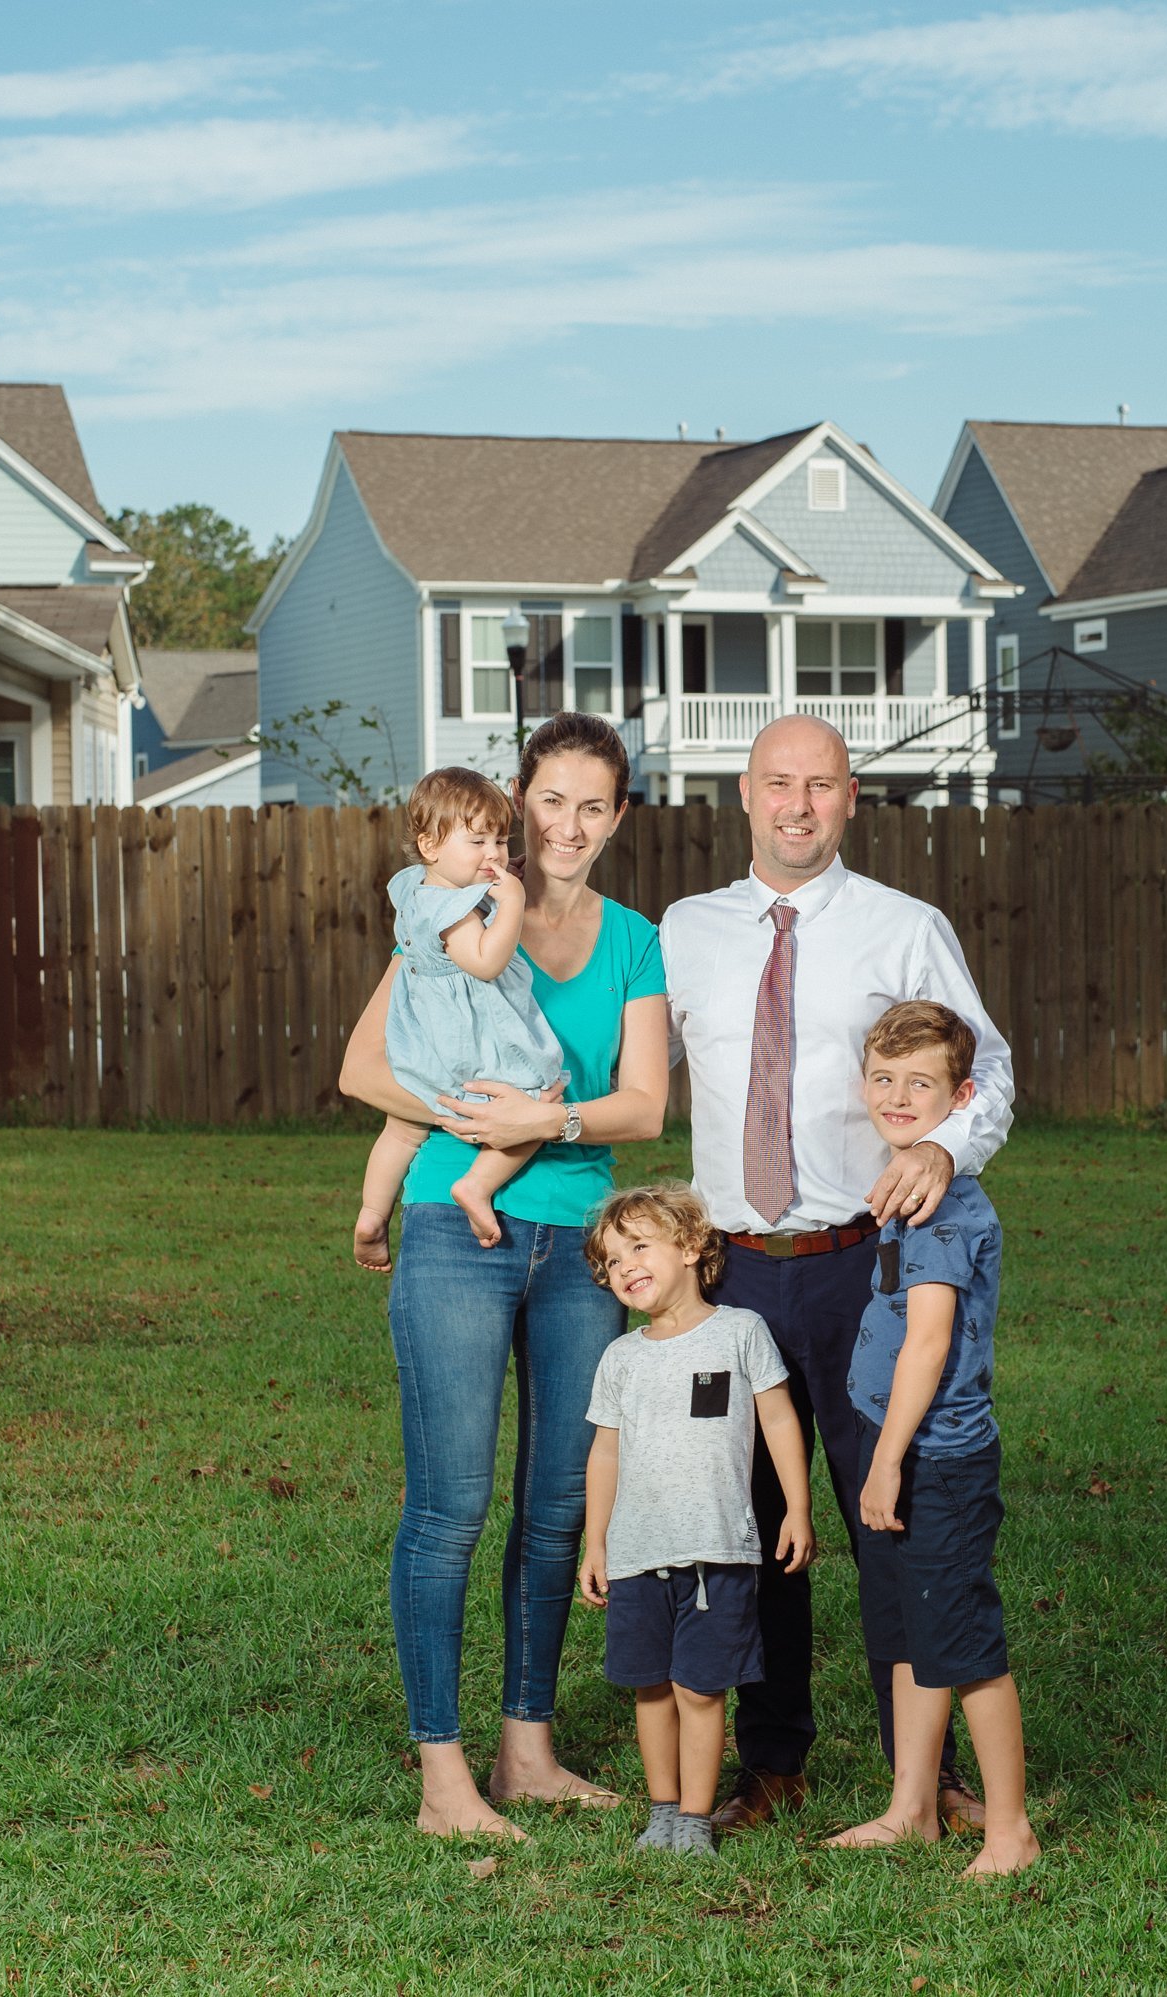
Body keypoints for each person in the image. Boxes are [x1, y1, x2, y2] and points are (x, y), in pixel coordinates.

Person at [659, 715, 1015, 1837]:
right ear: (745, 792)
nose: (798, 804)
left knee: (890, 1515)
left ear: (851, 797)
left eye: (820, 784)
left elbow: (989, 1070)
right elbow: (624, 1067)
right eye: (778, 782)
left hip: (866, 1266)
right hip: (732, 1272)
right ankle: (772, 1757)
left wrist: (937, 1147)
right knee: (752, 1518)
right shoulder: (685, 930)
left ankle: (932, 1774)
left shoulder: (905, 928)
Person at [336, 713, 669, 1841]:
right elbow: (361, 1066)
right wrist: (475, 1112)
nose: (566, 824)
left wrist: (548, 1116)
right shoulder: (453, 905)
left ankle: (527, 1749)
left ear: (617, 816)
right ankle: (445, 1779)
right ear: (515, 801)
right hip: (452, 1226)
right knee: (451, 1506)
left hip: (583, 1245)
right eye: (549, 799)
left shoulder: (634, 939)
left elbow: (645, 1104)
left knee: (557, 1504)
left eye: (593, 804)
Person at [824, 1001, 1037, 1875]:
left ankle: (1010, 1828)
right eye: (884, 1079)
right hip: (900, 1440)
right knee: (910, 1632)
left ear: (962, 1096)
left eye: (922, 1083)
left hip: (934, 1457)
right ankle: (912, 1806)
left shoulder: (941, 1209)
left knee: (961, 1640)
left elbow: (930, 1340)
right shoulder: (906, 1189)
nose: (899, 1097)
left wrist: (882, 1462)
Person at [575, 1185, 814, 1856]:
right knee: (651, 1687)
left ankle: (696, 1817)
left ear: (690, 1247)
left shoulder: (741, 1331)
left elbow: (778, 1418)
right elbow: (606, 1453)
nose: (625, 1267)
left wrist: (797, 1505)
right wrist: (596, 1543)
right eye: (612, 1261)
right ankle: (662, 1812)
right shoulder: (621, 1358)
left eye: (639, 1247)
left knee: (700, 1688)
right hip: (637, 1553)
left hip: (719, 1552)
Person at [355, 768, 569, 1268]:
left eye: (500, 839)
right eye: (477, 841)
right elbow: (486, 961)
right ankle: (477, 1185)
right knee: (538, 1100)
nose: (493, 854)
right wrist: (511, 902)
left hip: (420, 1042)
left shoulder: (414, 890)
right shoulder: (456, 908)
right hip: (469, 1043)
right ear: (430, 845)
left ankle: (370, 1212)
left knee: (402, 1128)